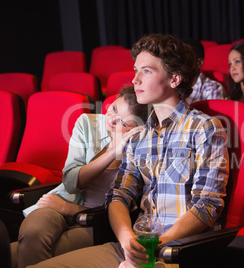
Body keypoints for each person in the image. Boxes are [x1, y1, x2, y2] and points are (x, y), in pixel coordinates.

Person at [28, 33, 229, 268]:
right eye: (135, 70)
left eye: (146, 71)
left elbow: (207, 205)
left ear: (174, 79)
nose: (135, 80)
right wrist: (127, 240)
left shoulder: (204, 128)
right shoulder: (139, 134)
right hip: (133, 247)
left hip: (179, 250)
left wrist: (155, 245)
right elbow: (118, 196)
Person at [11, 86, 149, 268]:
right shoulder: (87, 123)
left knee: (12, 253)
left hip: (98, 221)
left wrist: (70, 209)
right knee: (33, 231)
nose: (112, 120)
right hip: (59, 202)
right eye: (114, 108)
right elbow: (70, 182)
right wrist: (111, 151)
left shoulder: (141, 146)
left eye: (124, 123)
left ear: (138, 129)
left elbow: (126, 205)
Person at [182, 38, 226, 104]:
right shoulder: (172, 85)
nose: (180, 62)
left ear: (199, 63)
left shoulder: (213, 89)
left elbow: (214, 114)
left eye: (186, 58)